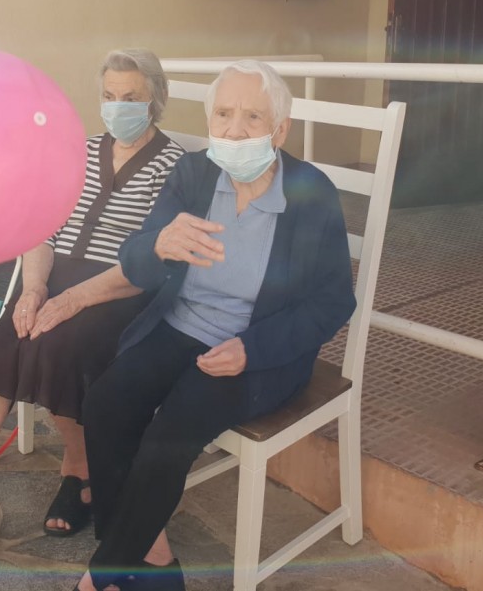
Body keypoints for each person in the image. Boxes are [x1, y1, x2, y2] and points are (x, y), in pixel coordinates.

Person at [0, 49, 185, 576]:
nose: (118, 107)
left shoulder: (174, 166)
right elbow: (42, 229)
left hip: (117, 291)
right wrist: (32, 289)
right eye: (110, 96)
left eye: (131, 98)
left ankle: (79, 469)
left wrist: (73, 299)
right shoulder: (79, 151)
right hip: (53, 278)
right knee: (3, 343)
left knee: (59, 344)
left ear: (155, 101)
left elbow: (150, 263)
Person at [74, 60, 356, 591]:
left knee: (169, 435)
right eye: (223, 114)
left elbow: (333, 301)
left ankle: (102, 576)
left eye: (253, 117)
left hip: (255, 348)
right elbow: (136, 260)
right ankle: (145, 555)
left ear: (280, 130)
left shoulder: (311, 192)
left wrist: (254, 348)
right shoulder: (194, 174)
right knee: (105, 404)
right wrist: (158, 246)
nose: (235, 129)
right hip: (180, 325)